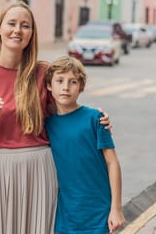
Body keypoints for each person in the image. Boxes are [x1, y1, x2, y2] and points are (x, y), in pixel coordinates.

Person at [0, 1, 111, 234]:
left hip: (40, 166)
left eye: (25, 25)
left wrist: (96, 117)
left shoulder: (43, 73)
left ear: (32, 34)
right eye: (12, 23)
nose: (17, 30)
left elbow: (66, 105)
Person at [45, 56, 125, 234]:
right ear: (49, 86)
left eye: (72, 82)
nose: (65, 87)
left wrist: (116, 209)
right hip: (65, 214)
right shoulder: (46, 124)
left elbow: (112, 163)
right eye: (59, 81)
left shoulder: (95, 118)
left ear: (81, 87)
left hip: (98, 211)